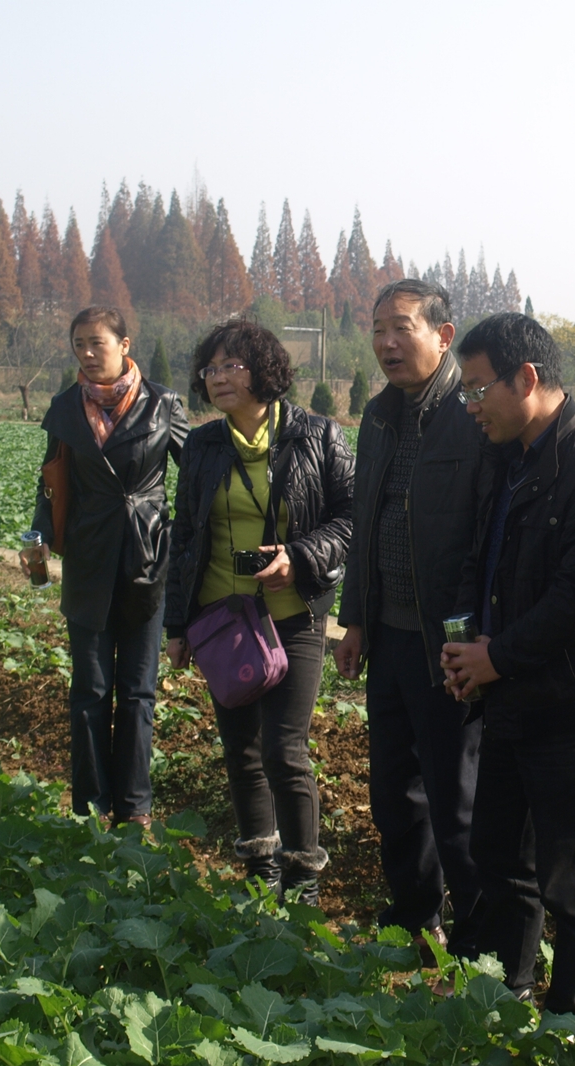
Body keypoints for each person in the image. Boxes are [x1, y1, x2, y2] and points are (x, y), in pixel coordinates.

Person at [440, 312, 575, 1019]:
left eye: (477, 388)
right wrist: (463, 641)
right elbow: (478, 561)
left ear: (525, 378)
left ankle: (573, 1019)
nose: (470, 405)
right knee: (498, 855)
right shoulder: (505, 458)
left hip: (563, 703)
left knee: (571, 874)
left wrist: (496, 656)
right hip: (503, 699)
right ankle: (508, 990)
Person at [165, 320, 354, 904]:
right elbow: (185, 535)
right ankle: (260, 867)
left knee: (284, 751)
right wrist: (176, 625)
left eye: (232, 366)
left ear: (264, 371)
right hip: (223, 621)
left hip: (292, 616)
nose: (218, 378)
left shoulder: (317, 436)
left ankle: (302, 876)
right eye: (211, 368)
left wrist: (300, 556)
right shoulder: (203, 445)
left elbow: (352, 519)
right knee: (242, 750)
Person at [334, 279, 492, 957]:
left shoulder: (473, 415)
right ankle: (413, 917)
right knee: (393, 792)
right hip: (390, 635)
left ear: (444, 335)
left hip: (446, 642)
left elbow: (486, 535)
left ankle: (478, 942)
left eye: (402, 327)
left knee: (458, 799)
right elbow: (364, 523)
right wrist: (355, 619)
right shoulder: (378, 416)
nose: (387, 343)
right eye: (378, 330)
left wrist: (474, 636)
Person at [25, 306, 188, 829]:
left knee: (138, 691)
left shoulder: (162, 404)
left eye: (98, 342)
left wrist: (191, 538)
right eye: (79, 344)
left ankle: (135, 806)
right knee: (90, 690)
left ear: (124, 344)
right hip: (89, 557)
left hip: (146, 556)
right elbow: (52, 479)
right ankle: (90, 806)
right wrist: (39, 537)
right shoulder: (66, 408)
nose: (89, 353)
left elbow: (198, 472)